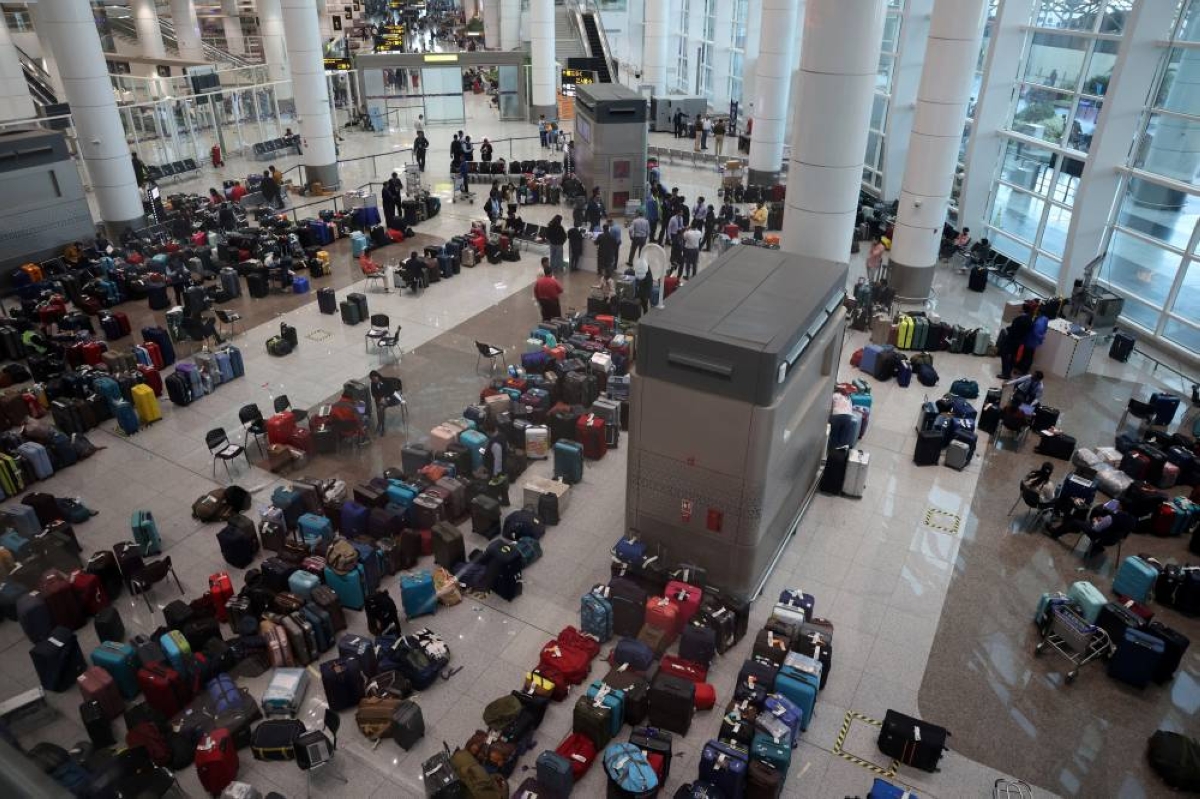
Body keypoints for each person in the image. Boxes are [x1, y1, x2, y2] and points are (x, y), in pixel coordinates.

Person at [998, 302, 1035, 379]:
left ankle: (1006, 373)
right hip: (1019, 342)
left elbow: (1013, 330)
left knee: (1004, 354)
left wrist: (1008, 329)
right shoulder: (1030, 321)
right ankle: (1008, 371)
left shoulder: (1019, 319)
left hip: (1011, 340)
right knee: (1013, 357)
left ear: (1022, 309)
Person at [369, 370, 405, 436]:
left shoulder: (386, 381)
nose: (373, 381)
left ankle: (381, 424)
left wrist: (385, 397)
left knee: (380, 408)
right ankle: (381, 424)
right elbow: (373, 393)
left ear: (377, 376)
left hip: (391, 398)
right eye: (372, 379)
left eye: (374, 379)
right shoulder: (373, 384)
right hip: (381, 400)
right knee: (380, 407)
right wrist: (380, 398)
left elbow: (391, 391)